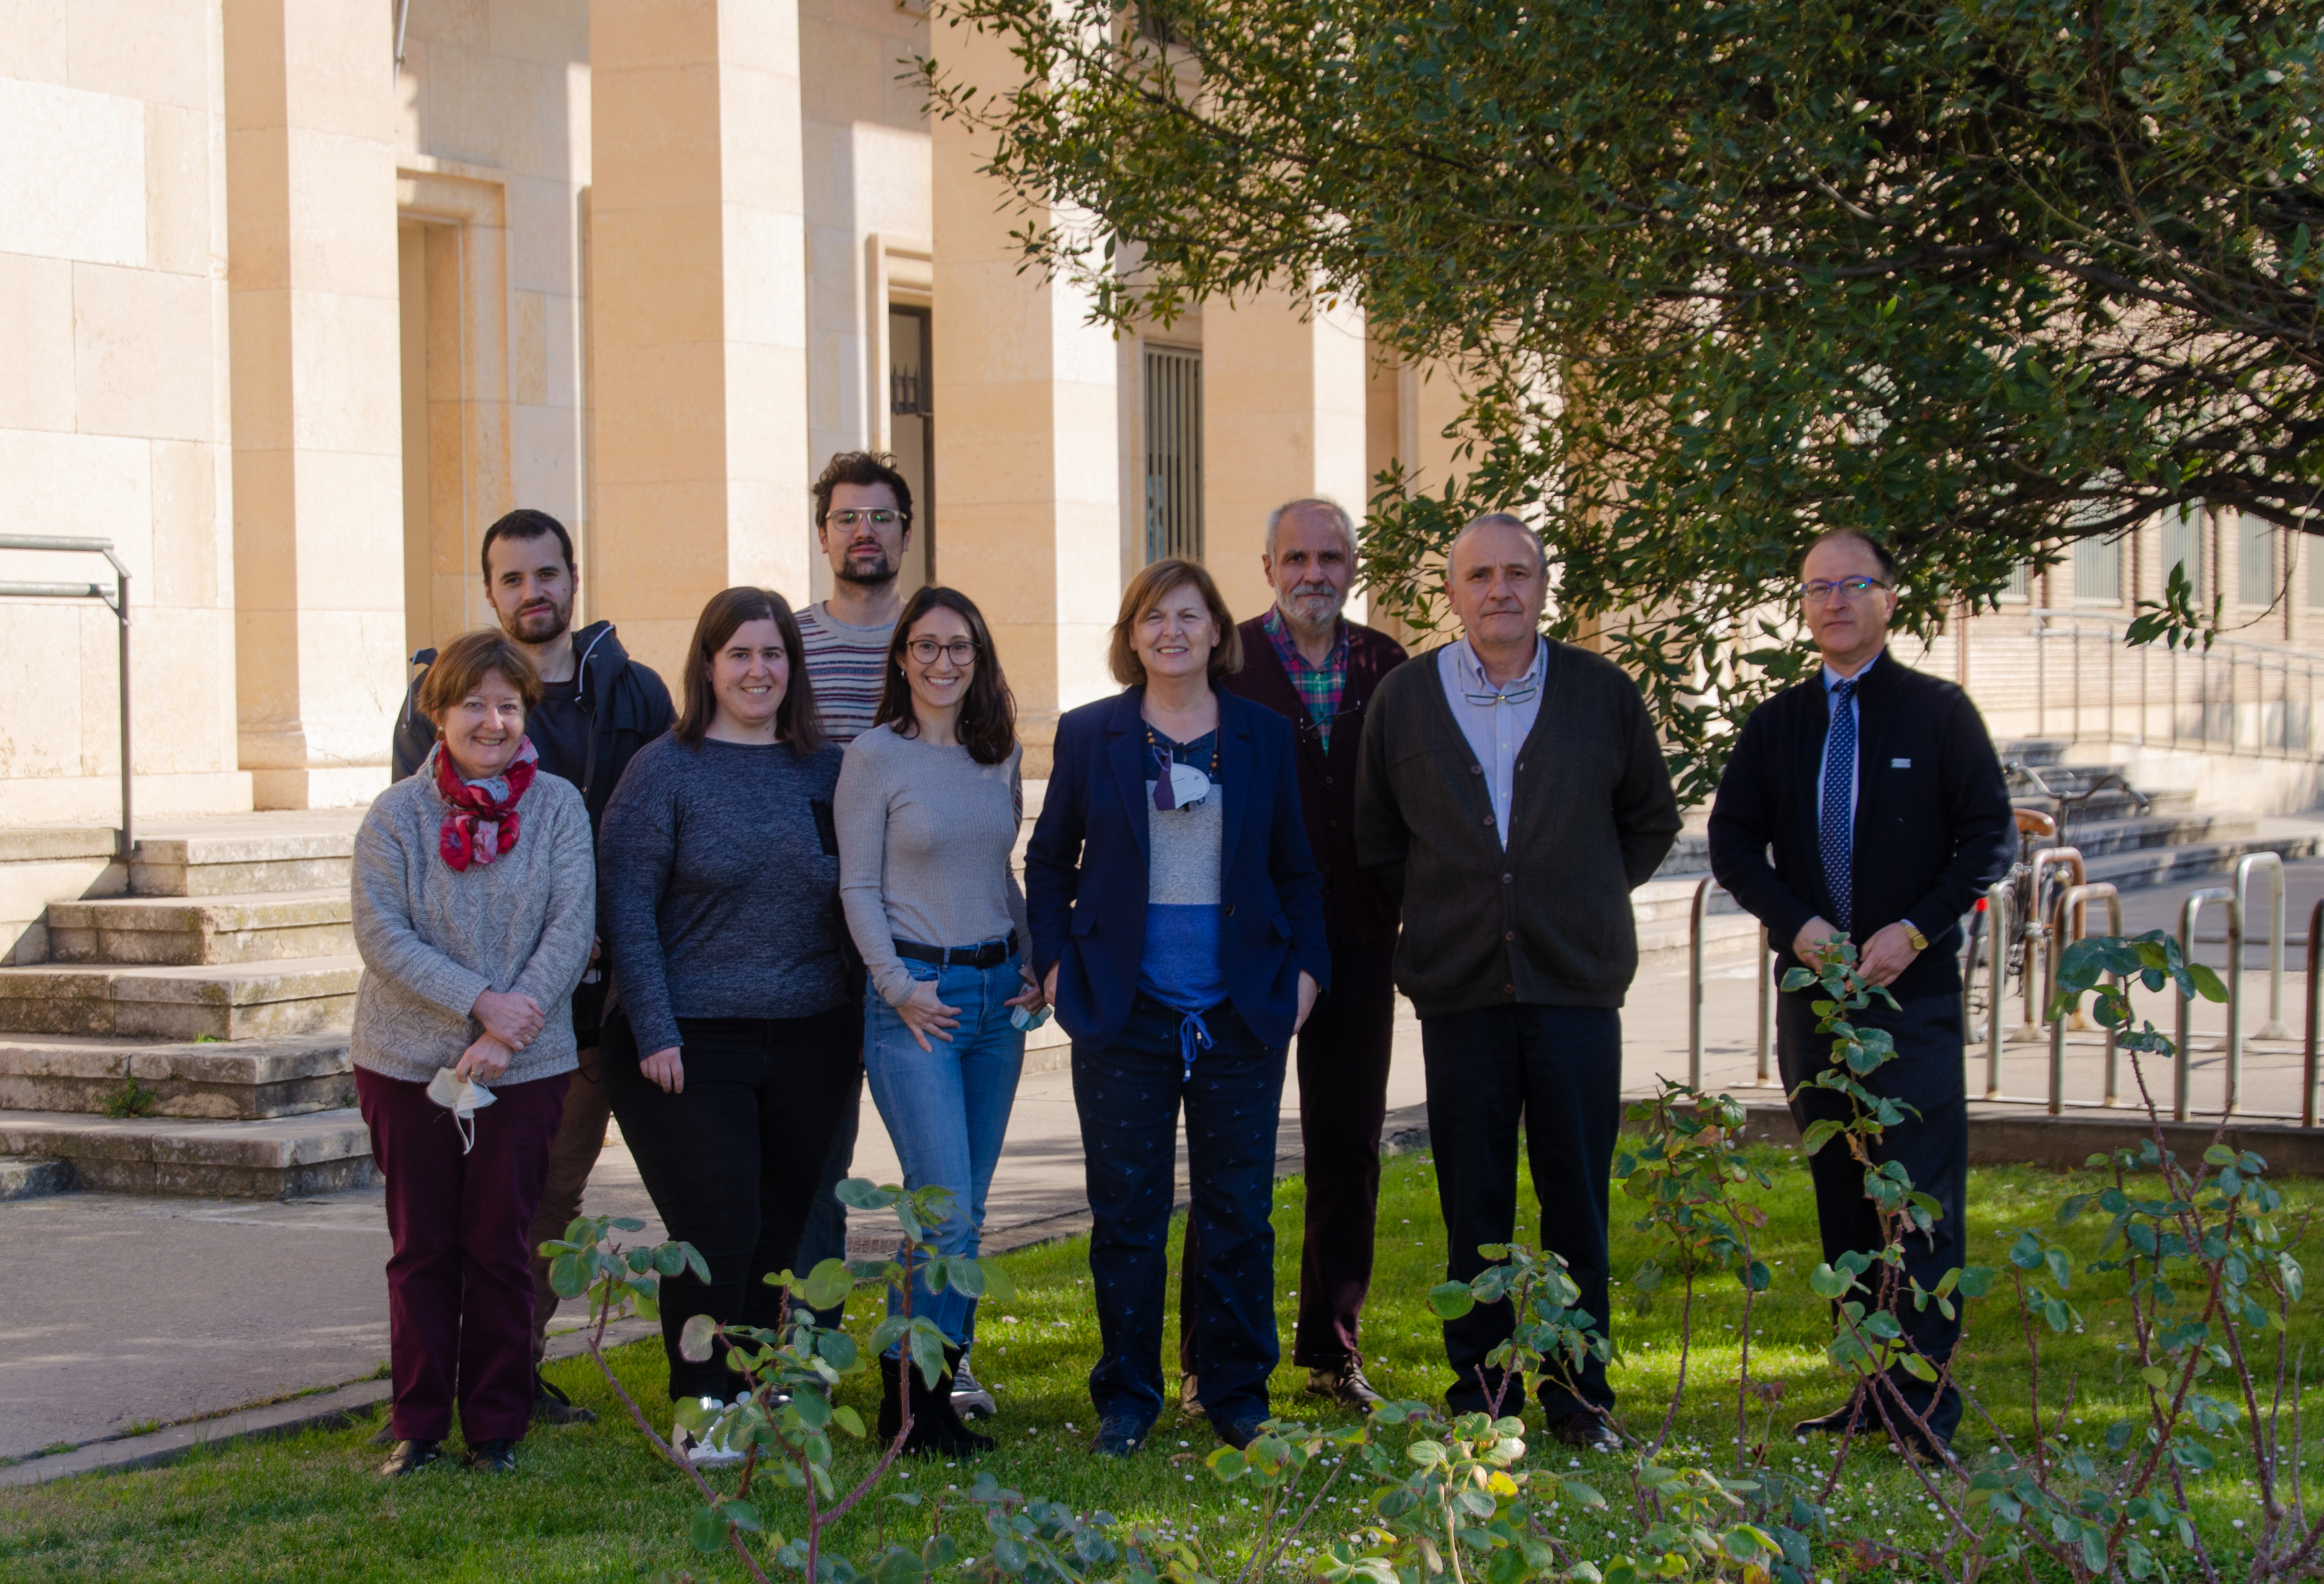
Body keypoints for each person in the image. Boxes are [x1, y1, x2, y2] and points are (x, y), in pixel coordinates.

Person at [1354, 513, 1680, 1452]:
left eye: (1518, 573)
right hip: (1458, 988)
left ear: (1543, 586)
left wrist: (1571, 893)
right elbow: (1379, 842)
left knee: (1576, 1197)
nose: (1500, 589)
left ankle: (1580, 1394)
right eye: (1479, 575)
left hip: (1575, 987)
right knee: (1475, 1199)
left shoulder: (1601, 693)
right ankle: (1483, 1391)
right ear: (1450, 592)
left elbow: (1648, 820)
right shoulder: (1408, 701)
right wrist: (1454, 908)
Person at [1707, 529, 2011, 1463]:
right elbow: (1730, 843)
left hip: (1908, 998)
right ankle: (1871, 1391)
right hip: (1814, 1000)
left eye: (1852, 585)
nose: (1833, 602)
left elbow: (1988, 840)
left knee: (1917, 1201)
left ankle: (1925, 1410)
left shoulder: (1937, 713)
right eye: (1815, 589)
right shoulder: (1780, 725)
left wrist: (1912, 929)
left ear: (1888, 599)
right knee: (1843, 1198)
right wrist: (1794, 925)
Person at [1025, 557, 1331, 1457]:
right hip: (1125, 1011)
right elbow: (1049, 863)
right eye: (1153, 618)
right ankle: (1127, 1396)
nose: (1171, 632)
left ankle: (1235, 1393)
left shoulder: (1262, 736)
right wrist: (1053, 965)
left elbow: (1297, 870)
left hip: (1240, 1009)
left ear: (1216, 633)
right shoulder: (1092, 737)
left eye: (1188, 617)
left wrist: (1306, 974)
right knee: (1127, 1215)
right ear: (1130, 637)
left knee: (1238, 1211)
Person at [390, 507, 675, 1426]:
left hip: (607, 994)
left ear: (573, 577)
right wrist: (484, 997)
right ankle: (474, 1376)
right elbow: (416, 841)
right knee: (487, 1203)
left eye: (545, 574)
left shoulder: (633, 695)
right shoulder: (445, 693)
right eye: (511, 579)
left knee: (554, 1191)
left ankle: (520, 1369)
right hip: (479, 1005)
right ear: (490, 592)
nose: (531, 592)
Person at [595, 587, 862, 1466]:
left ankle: (752, 1390)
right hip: (687, 1038)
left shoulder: (826, 769)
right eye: (740, 654)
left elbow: (854, 896)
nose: (759, 670)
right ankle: (697, 1399)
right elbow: (628, 910)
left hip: (811, 1034)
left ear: (795, 666)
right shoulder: (664, 769)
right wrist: (655, 1029)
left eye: (775, 653)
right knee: (717, 1227)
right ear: (708, 666)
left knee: (783, 1223)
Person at [1176, 499, 1405, 1418]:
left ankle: (1330, 1350)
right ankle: (1209, 1359)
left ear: (1353, 566)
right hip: (1249, 947)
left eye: (1332, 556)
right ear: (1266, 566)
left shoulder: (1388, 665)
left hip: (1358, 941)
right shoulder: (1227, 659)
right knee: (1230, 1159)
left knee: (1346, 1150)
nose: (1315, 572)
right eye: (1296, 557)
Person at [351, 628, 596, 1478]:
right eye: (474, 705)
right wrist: (478, 1004)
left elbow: (572, 926)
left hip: (526, 1065)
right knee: (422, 1245)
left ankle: (496, 1426)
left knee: (500, 1245)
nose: (492, 722)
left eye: (508, 704)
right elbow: (382, 934)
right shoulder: (396, 816)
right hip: (404, 1060)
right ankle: (418, 1423)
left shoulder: (560, 807)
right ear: (438, 713)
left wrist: (504, 1031)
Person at [836, 585, 1045, 1456]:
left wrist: (1033, 960)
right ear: (900, 658)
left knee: (964, 1214)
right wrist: (894, 985)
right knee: (945, 1214)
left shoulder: (997, 753)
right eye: (924, 646)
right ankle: (911, 1405)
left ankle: (929, 1397)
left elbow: (1001, 872)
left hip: (996, 998)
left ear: (980, 655)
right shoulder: (873, 757)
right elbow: (856, 886)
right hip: (916, 1004)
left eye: (958, 647)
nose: (942, 662)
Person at [791, 454, 951, 1398]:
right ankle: (808, 1355)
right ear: (823, 535)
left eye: (882, 517)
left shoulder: (935, 644)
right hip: (815, 943)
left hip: (925, 934)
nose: (864, 533)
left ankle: (923, 1359)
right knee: (820, 1164)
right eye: (847, 518)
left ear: (905, 530)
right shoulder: (791, 644)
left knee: (936, 1167)